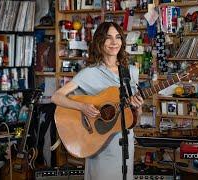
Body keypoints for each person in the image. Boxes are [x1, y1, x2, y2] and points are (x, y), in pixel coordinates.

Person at [51, 22, 144, 180]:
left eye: (118, 37)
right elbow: (56, 97)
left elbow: (136, 117)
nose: (114, 42)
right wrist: (82, 107)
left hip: (125, 144)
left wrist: (138, 108)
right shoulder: (89, 73)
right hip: (98, 142)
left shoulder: (131, 72)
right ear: (100, 42)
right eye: (108, 38)